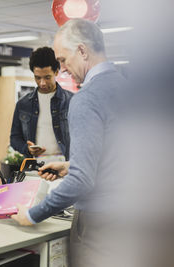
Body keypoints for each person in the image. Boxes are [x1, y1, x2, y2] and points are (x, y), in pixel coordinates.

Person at [11, 19, 127, 266]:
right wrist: (69, 165)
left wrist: (32, 214)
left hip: (100, 223)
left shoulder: (85, 99)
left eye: (63, 60)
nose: (63, 69)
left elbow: (81, 180)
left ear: (82, 51)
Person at [10, 47, 73, 160]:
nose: (42, 83)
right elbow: (14, 139)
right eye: (37, 78)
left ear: (56, 72)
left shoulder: (71, 101)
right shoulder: (23, 104)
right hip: (35, 167)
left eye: (47, 77)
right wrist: (27, 149)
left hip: (65, 166)